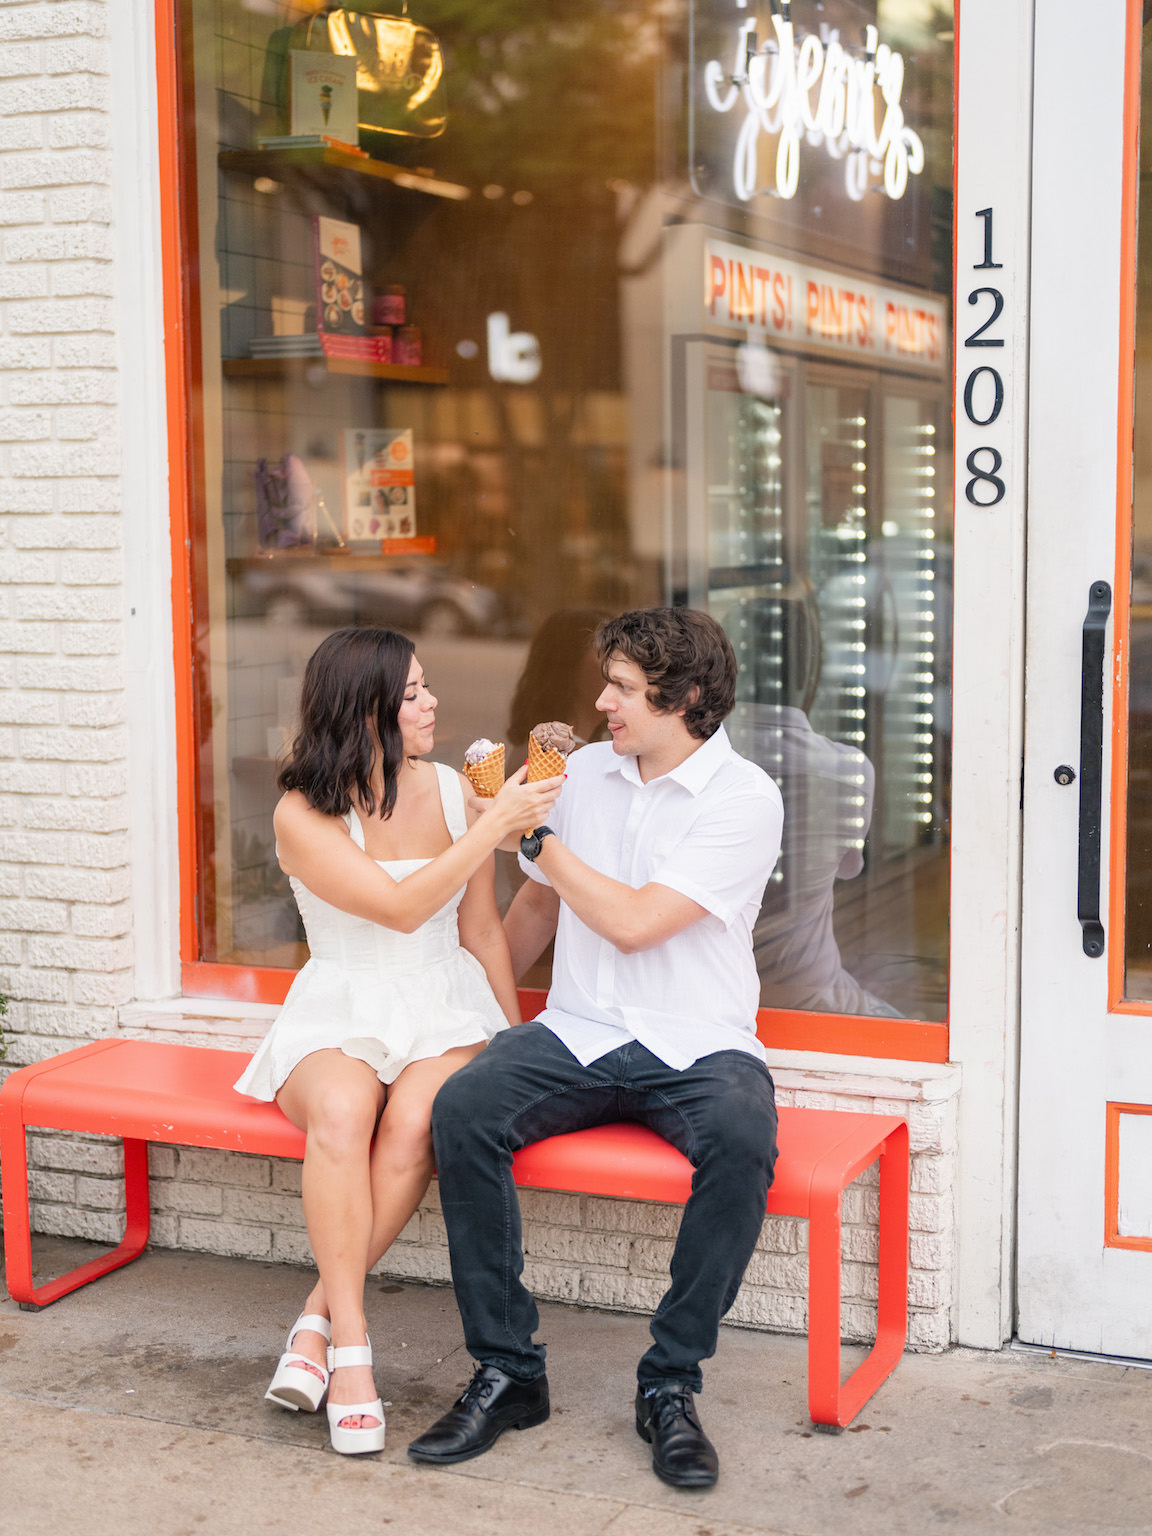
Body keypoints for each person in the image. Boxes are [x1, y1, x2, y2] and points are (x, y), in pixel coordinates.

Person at [407, 607, 784, 1489]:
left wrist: (530, 834)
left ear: (684, 697)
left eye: (620, 687)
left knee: (741, 1143)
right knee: (462, 1108)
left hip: (698, 1043)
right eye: (606, 681)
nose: (602, 701)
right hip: (577, 1033)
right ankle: (509, 1372)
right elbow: (539, 906)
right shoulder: (578, 772)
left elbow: (636, 921)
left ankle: (669, 1385)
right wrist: (492, 1013)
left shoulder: (744, 797)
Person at [233, 627, 561, 1456]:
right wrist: (496, 828)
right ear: (365, 710)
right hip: (339, 999)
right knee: (342, 1113)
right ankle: (353, 1355)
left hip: (442, 1002)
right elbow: (400, 907)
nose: (432, 703)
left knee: (417, 1124)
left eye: (426, 687)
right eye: (412, 693)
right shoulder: (301, 813)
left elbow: (480, 930)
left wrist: (511, 1034)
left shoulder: (452, 789)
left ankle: (318, 1322)